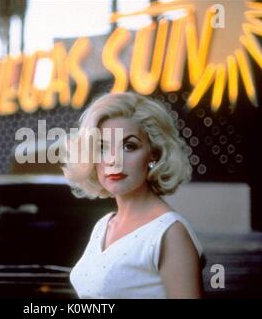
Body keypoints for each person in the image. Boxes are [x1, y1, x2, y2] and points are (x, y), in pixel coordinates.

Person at [62, 92, 204, 299]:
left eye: (129, 146)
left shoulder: (170, 233)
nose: (113, 160)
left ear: (153, 153)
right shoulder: (103, 226)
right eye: (102, 148)